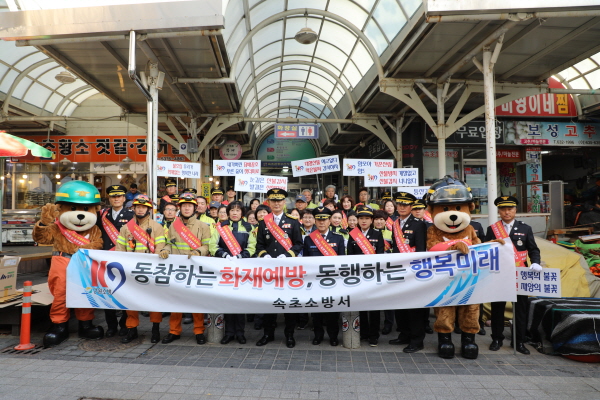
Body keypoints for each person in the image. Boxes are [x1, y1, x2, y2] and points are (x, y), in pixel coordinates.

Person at [486, 196, 542, 355]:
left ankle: (519, 341)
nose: (506, 212)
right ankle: (497, 339)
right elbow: (485, 249)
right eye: (503, 209)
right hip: (499, 274)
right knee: (497, 308)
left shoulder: (525, 228)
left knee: (520, 309)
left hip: (520, 274)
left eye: (510, 209)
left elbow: (533, 249)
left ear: (515, 210)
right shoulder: (492, 229)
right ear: (499, 211)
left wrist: (535, 262)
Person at [158, 192, 211, 345]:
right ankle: (174, 331)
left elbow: (207, 246)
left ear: (195, 208)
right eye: (184, 206)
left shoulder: (203, 226)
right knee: (175, 301)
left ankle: (199, 331)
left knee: (196, 302)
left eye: (190, 206)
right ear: (179, 208)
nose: (187, 208)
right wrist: (165, 249)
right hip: (178, 269)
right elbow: (169, 243)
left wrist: (198, 251)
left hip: (195, 268)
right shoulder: (173, 225)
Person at [255, 188, 304, 348]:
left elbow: (298, 244)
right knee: (270, 303)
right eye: (273, 200)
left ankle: (289, 335)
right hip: (270, 270)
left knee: (288, 303)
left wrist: (288, 255)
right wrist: (264, 255)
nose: (276, 203)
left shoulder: (293, 221)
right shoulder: (263, 222)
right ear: (269, 202)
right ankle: (268, 334)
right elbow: (259, 245)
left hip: (287, 269)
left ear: (284, 202)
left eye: (279, 200)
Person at [115, 194, 167, 344]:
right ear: (134, 208)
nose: (140, 210)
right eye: (138, 207)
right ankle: (132, 329)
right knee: (131, 301)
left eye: (143, 207)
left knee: (154, 301)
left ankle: (155, 329)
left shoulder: (157, 227)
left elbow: (160, 247)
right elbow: (120, 249)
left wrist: (153, 263)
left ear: (149, 209)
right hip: (130, 270)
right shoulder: (126, 228)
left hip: (151, 269)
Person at [210, 201, 256, 345]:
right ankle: (229, 333)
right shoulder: (220, 227)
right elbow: (212, 245)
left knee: (240, 302)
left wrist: (241, 256)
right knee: (228, 301)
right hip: (225, 269)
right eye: (232, 210)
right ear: (228, 212)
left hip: (243, 269)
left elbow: (252, 246)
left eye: (238, 210)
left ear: (242, 212)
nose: (235, 213)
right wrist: (224, 255)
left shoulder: (249, 227)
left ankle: (240, 333)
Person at [388, 192, 428, 353]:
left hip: (413, 271)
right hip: (399, 270)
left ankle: (417, 340)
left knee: (414, 308)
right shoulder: (395, 223)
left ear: (411, 207)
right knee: (400, 305)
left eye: (405, 205)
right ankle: (404, 334)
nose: (402, 207)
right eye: (399, 204)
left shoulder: (419, 224)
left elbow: (421, 250)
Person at [303, 207, 345, 346]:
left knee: (333, 311)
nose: (321, 222)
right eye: (319, 219)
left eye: (325, 219)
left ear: (329, 221)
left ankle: (333, 336)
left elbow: (342, 261)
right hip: (315, 282)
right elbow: (306, 262)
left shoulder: (338, 238)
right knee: (316, 312)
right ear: (315, 221)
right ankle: (318, 335)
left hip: (333, 281)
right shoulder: (309, 239)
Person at [97, 185, 134, 337]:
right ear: (109, 198)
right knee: (107, 293)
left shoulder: (131, 215)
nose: (116, 199)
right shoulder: (102, 215)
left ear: (124, 198)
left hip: (123, 259)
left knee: (125, 293)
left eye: (119, 196)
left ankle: (124, 324)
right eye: (113, 196)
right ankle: (111, 326)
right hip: (106, 259)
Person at [347, 205, 384, 346]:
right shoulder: (353, 234)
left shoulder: (377, 234)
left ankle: (374, 335)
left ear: (371, 220)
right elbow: (350, 255)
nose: (363, 221)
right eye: (361, 218)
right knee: (361, 304)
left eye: (367, 218)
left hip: (373, 275)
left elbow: (380, 254)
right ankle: (363, 332)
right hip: (358, 275)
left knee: (374, 307)